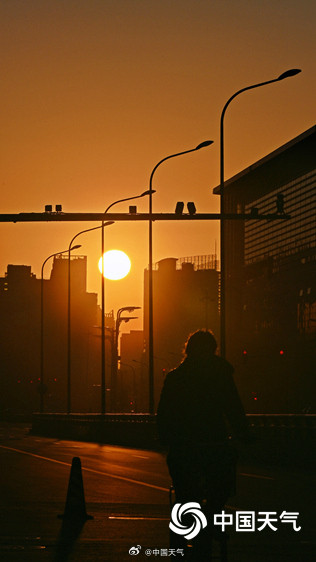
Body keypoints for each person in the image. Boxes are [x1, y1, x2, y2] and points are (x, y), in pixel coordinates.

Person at [157, 330, 249, 559]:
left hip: (184, 445)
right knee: (220, 490)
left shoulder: (176, 377)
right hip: (214, 443)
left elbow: (164, 414)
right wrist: (244, 435)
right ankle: (211, 519)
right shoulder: (221, 373)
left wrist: (166, 438)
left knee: (185, 495)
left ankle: (181, 534)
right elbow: (234, 408)